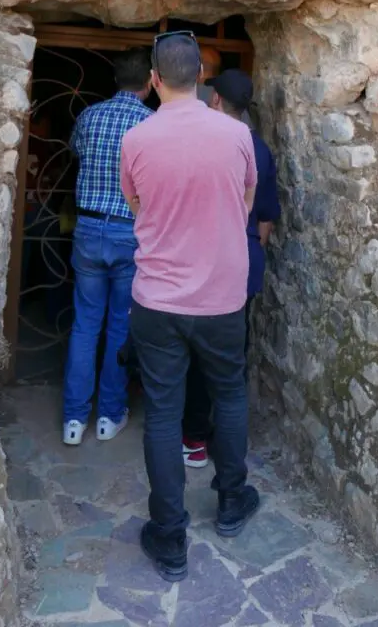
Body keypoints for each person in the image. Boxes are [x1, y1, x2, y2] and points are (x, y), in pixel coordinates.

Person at [120, 30, 260, 583]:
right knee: (228, 394)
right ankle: (230, 501)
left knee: (162, 411)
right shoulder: (236, 134)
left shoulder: (137, 137)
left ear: (154, 81)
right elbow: (247, 200)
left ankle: (170, 535)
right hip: (223, 295)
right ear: (201, 75)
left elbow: (136, 203)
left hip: (157, 298)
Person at [182, 69, 280, 469]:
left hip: (202, 263)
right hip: (242, 265)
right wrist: (250, 250)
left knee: (192, 355)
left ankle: (193, 440)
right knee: (231, 359)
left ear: (217, 100)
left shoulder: (199, 142)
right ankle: (228, 448)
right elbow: (267, 217)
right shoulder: (260, 149)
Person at [62, 48, 153, 446]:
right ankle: (109, 416)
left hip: (87, 228)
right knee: (120, 325)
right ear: (150, 83)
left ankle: (73, 420)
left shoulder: (89, 116)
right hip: (129, 232)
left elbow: (75, 153)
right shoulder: (151, 124)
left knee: (84, 325)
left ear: (115, 81)